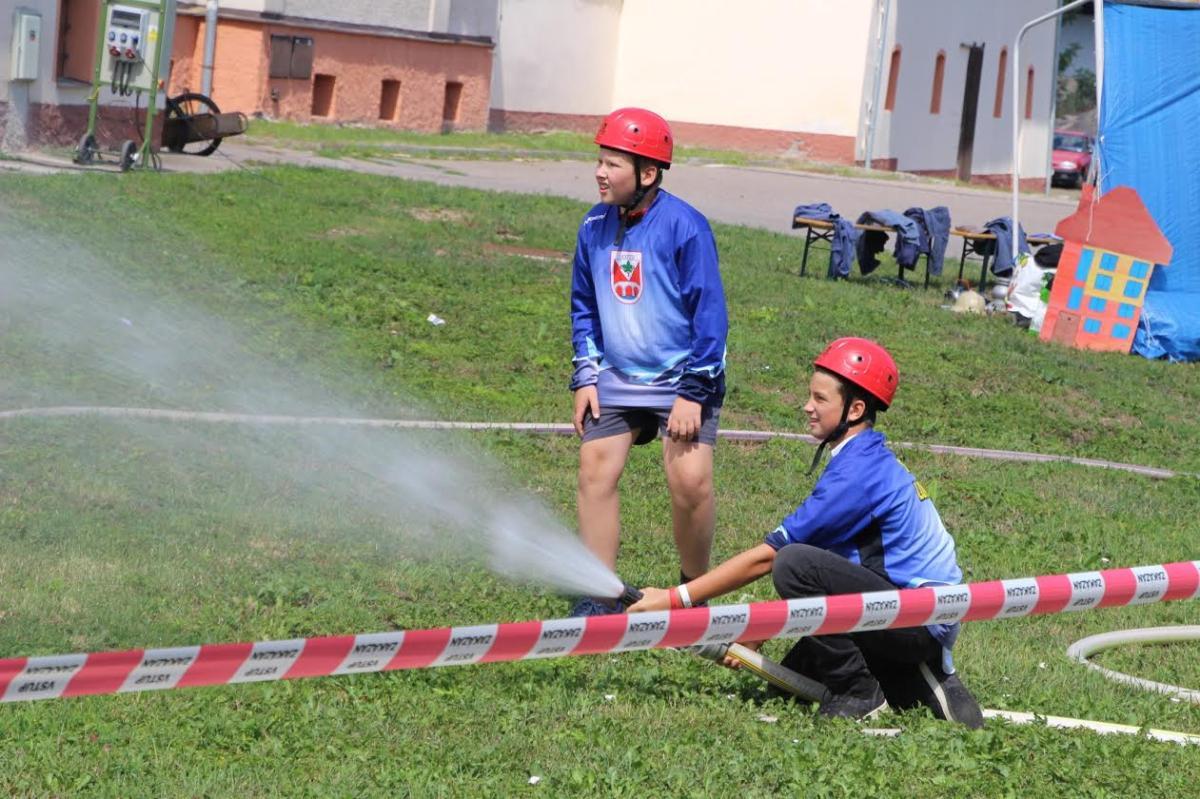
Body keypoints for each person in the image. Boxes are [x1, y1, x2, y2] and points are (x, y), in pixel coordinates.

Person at [628, 338, 984, 727]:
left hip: (917, 620)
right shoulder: (861, 457)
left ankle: (861, 692)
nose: (807, 406)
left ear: (856, 408)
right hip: (903, 610)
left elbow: (773, 557)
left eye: (820, 398)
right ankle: (904, 678)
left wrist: (675, 598)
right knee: (786, 688)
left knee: (792, 563)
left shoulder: (857, 475)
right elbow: (831, 558)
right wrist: (757, 629)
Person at [568, 107, 729, 616]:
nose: (599, 172)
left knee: (690, 483)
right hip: (615, 376)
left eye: (612, 164)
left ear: (648, 173)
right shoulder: (593, 225)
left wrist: (693, 393)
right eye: (599, 161)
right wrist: (586, 377)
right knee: (594, 470)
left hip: (683, 379)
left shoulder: (686, 227)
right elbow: (583, 306)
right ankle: (601, 596)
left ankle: (691, 594)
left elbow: (710, 318)